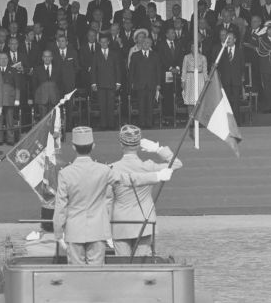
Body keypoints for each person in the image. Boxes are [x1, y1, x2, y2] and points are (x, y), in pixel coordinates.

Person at [53, 127, 172, 265]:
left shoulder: (65, 173)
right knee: (96, 273)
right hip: (97, 231)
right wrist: (157, 176)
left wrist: (58, 233)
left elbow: (60, 206)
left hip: (74, 231)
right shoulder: (104, 170)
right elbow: (129, 179)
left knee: (76, 273)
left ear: (73, 147)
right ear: (93, 146)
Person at [110, 125, 182, 257]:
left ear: (121, 144)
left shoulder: (112, 168)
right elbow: (177, 164)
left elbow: (107, 200)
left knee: (123, 266)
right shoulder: (149, 167)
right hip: (144, 221)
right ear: (139, 145)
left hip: (119, 223)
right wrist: (158, 149)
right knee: (142, 266)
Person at [90, 33, 122, 130]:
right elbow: (93, 70)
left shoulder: (114, 54)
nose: (103, 44)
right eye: (102, 42)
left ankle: (111, 124)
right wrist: (93, 83)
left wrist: (118, 82)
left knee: (111, 104)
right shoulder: (96, 54)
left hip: (112, 83)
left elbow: (117, 69)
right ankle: (103, 125)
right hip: (100, 83)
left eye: (105, 42)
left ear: (108, 42)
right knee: (102, 105)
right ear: (99, 43)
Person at [129, 37, 161, 129]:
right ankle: (142, 123)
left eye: (148, 43)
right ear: (142, 44)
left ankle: (149, 123)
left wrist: (158, 84)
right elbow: (131, 71)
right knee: (141, 104)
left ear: (151, 45)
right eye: (145, 42)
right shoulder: (135, 55)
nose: (146, 44)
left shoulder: (155, 55)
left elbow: (158, 70)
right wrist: (131, 83)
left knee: (150, 105)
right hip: (139, 84)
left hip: (152, 84)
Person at [181, 41, 208, 136]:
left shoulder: (203, 57)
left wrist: (206, 82)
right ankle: (190, 121)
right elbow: (184, 69)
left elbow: (205, 70)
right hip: (190, 78)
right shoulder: (186, 57)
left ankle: (199, 120)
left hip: (200, 78)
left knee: (199, 101)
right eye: (192, 47)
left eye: (195, 47)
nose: (193, 49)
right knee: (190, 101)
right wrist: (183, 81)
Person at [217, 31, 244, 120]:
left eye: (230, 38)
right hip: (226, 80)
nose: (227, 40)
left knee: (236, 101)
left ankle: (236, 120)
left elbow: (242, 66)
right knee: (226, 101)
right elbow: (220, 66)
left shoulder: (240, 51)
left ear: (235, 40)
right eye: (227, 38)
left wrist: (241, 78)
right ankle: (227, 121)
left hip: (236, 80)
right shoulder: (222, 51)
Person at [0, 52, 20, 145]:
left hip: (9, 99)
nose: (3, 60)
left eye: (5, 58)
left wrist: (17, 99)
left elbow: (17, 85)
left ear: (8, 59)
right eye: (1, 58)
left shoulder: (13, 70)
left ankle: (10, 139)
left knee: (10, 120)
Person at [32, 49, 62, 120]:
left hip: (55, 99)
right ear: (42, 58)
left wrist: (59, 97)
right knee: (43, 121)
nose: (47, 58)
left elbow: (61, 84)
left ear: (52, 57)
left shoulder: (58, 68)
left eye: (49, 56)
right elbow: (34, 85)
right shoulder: (37, 69)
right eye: (45, 56)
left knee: (54, 120)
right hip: (42, 100)